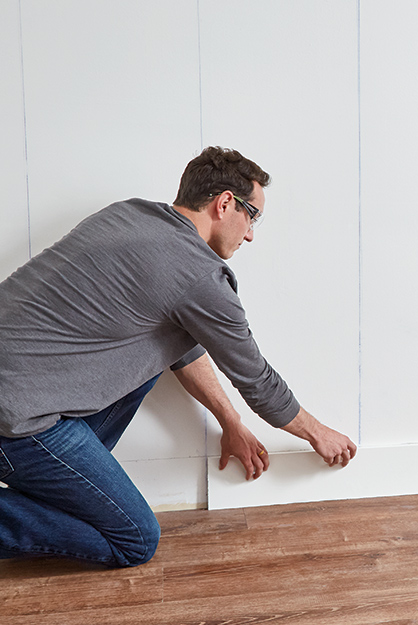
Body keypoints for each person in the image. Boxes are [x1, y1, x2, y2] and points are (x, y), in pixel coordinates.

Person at [0, 146, 357, 567]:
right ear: (225, 203)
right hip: (18, 420)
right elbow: (257, 380)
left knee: (152, 354)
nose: (250, 235)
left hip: (25, 394)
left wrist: (230, 421)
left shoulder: (129, 214)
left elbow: (180, 347)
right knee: (134, 540)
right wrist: (318, 434)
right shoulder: (199, 275)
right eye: (252, 217)